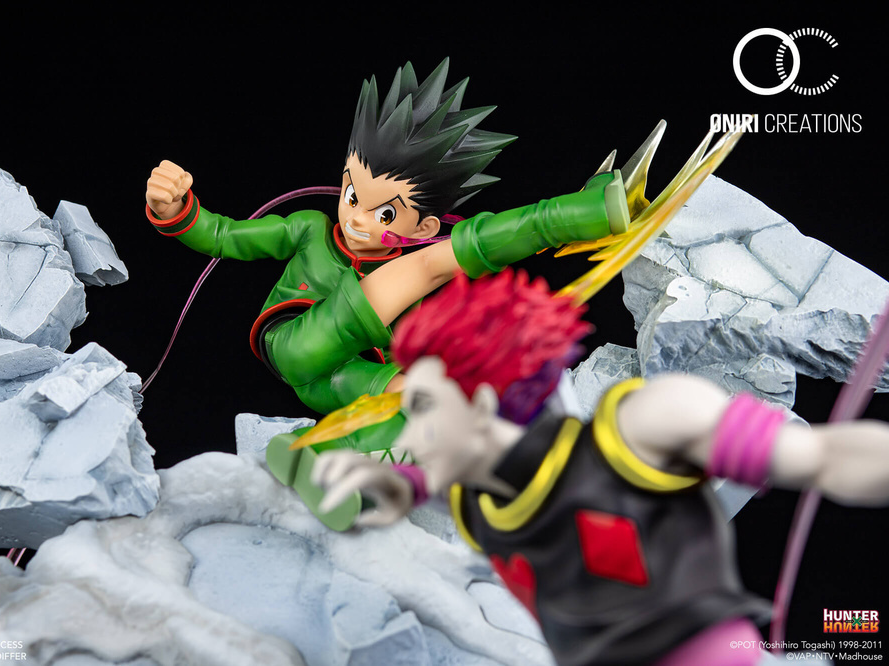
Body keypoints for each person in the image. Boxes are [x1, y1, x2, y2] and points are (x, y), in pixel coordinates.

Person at [312, 269, 889, 666]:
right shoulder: (476, 491)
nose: (410, 433)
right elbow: (452, 486)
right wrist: (398, 484)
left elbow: (826, 457)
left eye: (423, 408)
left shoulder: (637, 432)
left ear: (482, 406)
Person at [144, 59, 629, 526]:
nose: (356, 218)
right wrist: (177, 210)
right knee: (430, 265)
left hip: (337, 378)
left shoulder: (403, 280)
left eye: (386, 214)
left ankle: (321, 459)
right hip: (294, 344)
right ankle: (577, 214)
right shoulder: (311, 230)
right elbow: (225, 237)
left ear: (425, 225)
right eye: (353, 194)